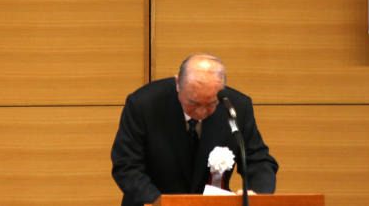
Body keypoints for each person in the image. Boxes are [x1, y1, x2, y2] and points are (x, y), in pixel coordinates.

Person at [111, 53, 279, 206]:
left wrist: (257, 194)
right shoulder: (144, 104)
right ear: (178, 84)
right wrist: (160, 202)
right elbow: (126, 166)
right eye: (194, 103)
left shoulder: (237, 108)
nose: (201, 112)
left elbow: (259, 161)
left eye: (211, 104)